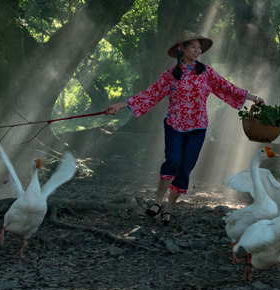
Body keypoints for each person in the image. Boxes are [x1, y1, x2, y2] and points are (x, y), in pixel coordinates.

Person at [105, 31, 263, 226]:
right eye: (193, 47)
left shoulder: (206, 72)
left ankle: (169, 208)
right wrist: (120, 105)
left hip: (198, 127)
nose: (197, 51)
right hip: (175, 125)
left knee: (185, 168)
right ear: (182, 49)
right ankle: (157, 201)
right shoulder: (171, 75)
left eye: (199, 48)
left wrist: (253, 98)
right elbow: (150, 94)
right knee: (172, 161)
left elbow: (227, 87)